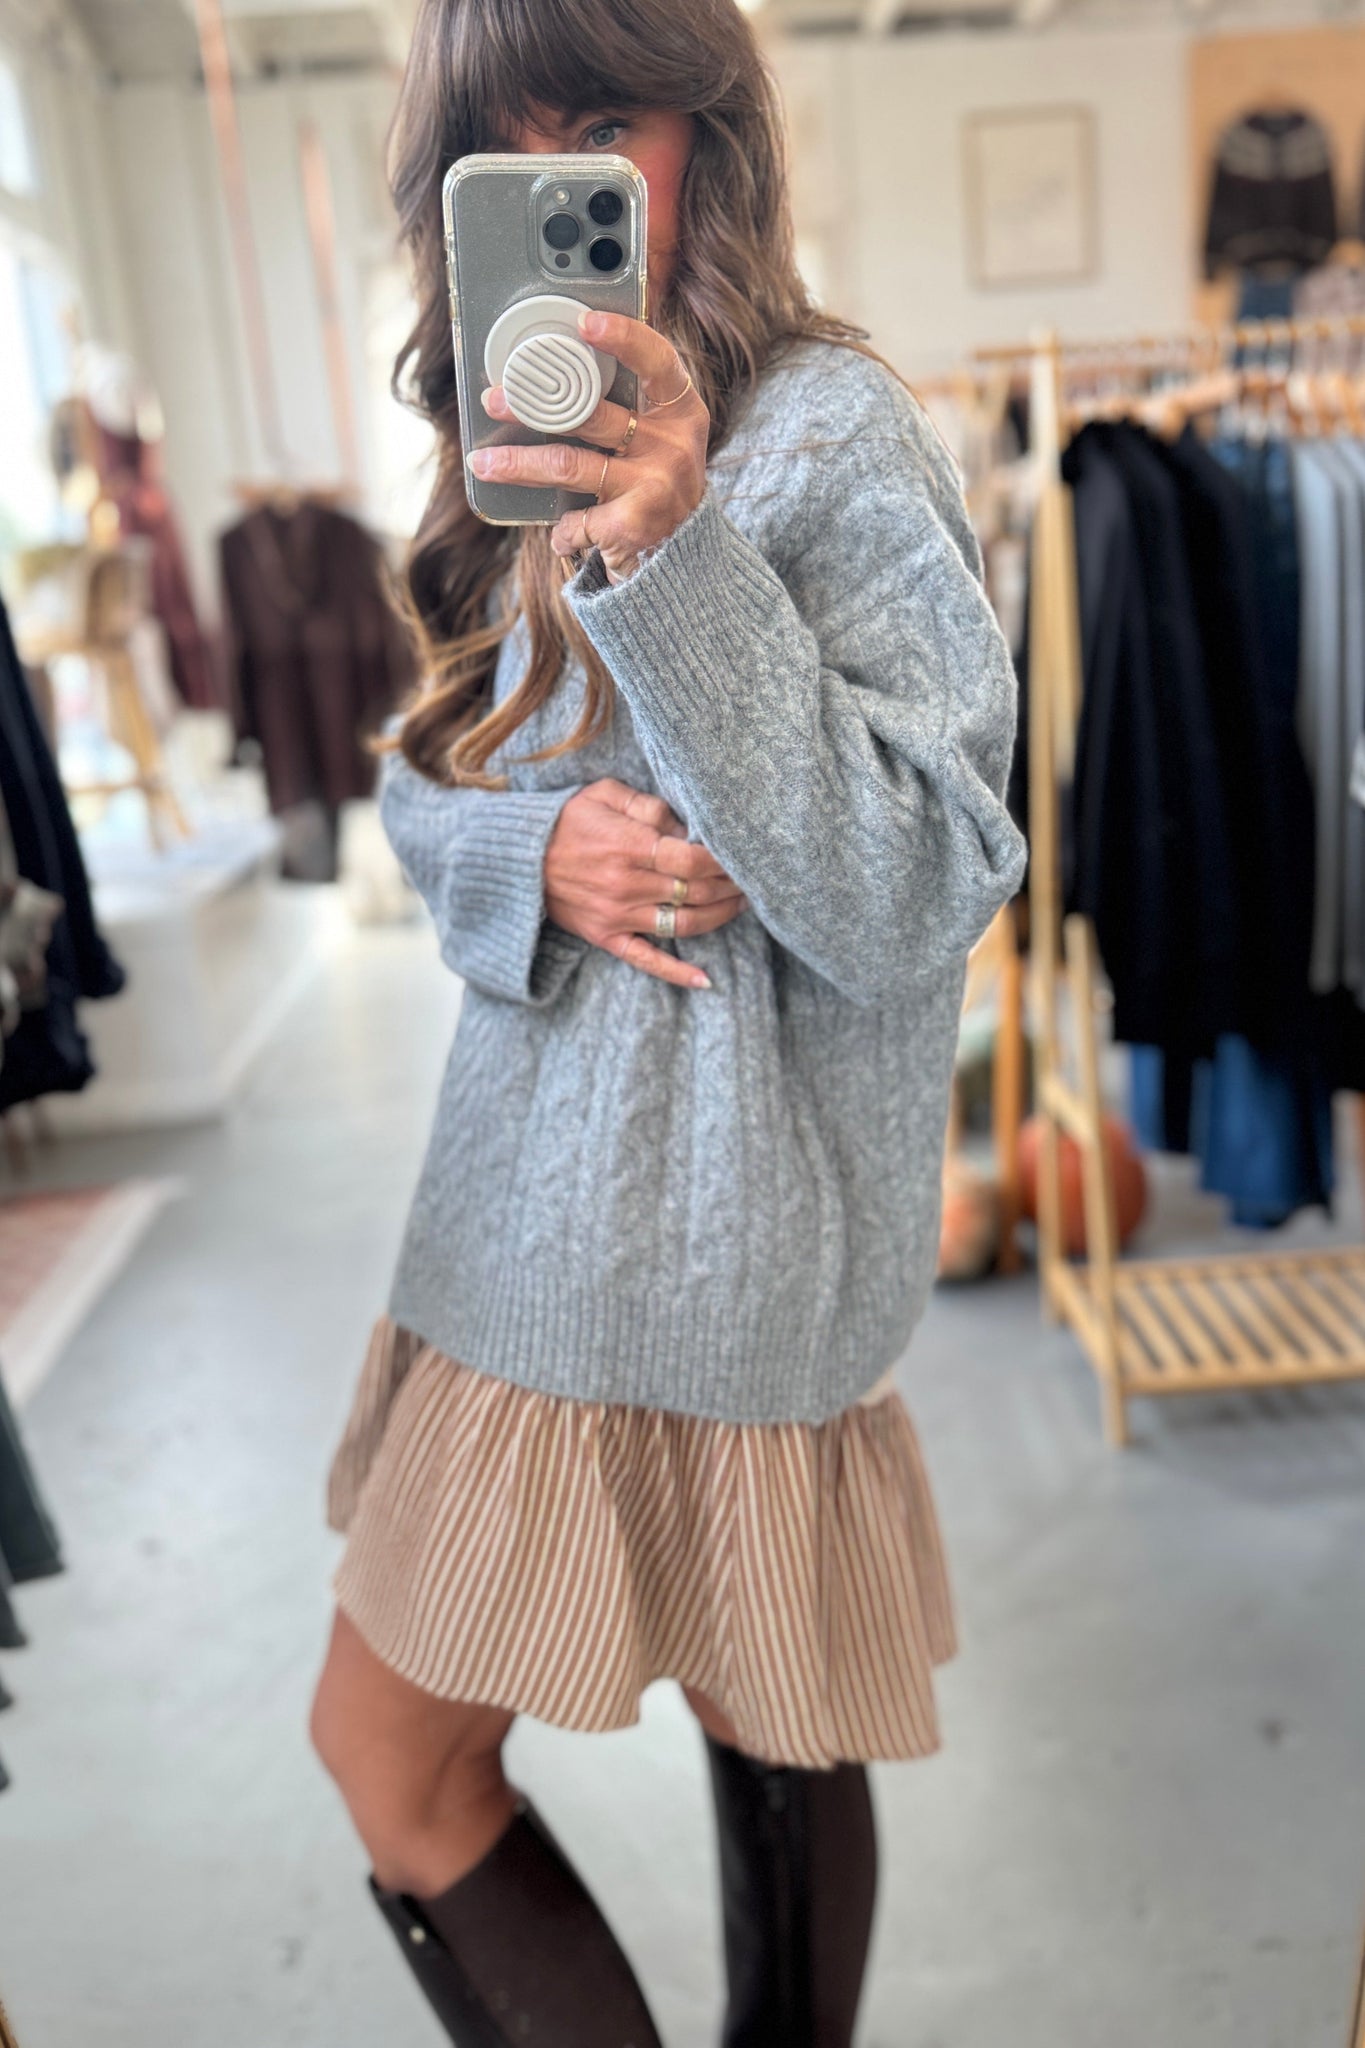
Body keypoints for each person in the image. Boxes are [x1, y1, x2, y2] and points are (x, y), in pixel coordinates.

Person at [310, 0, 1026, 2040]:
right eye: (509, 137)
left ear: (709, 138)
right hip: (532, 1219)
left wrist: (679, 553)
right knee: (485, 1747)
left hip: (714, 1244)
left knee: (660, 1726)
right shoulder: (494, 445)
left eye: (606, 121)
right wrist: (523, 852)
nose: (567, 176)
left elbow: (917, 887)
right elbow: (418, 782)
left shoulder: (826, 432)